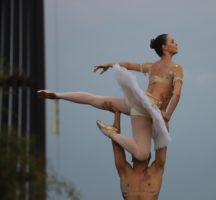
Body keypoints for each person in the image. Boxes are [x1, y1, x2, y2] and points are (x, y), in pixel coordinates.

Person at [38, 34, 183, 161]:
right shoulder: (176, 68)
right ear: (164, 47)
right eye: (172, 42)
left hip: (138, 102)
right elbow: (176, 94)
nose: (176, 44)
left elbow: (126, 65)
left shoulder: (152, 66)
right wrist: (168, 115)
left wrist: (109, 64)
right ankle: (111, 133)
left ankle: (58, 94)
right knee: (142, 155)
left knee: (95, 99)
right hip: (148, 107)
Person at [104, 102, 167, 200]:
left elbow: (162, 143)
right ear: (132, 155)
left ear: (149, 155)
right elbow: (116, 142)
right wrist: (117, 113)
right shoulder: (124, 171)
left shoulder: (156, 170)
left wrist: (163, 119)